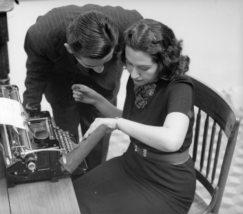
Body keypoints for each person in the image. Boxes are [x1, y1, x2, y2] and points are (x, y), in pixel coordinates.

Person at [72, 19, 196, 214]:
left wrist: (118, 123)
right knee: (72, 196)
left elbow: (172, 140)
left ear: (164, 62)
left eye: (144, 68)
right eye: (129, 63)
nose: (134, 74)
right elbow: (135, 122)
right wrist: (98, 101)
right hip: (132, 164)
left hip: (166, 185)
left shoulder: (179, 87)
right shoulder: (137, 79)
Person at [22, 4, 143, 171]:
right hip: (60, 75)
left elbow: (149, 60)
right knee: (65, 127)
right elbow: (35, 76)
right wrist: (29, 111)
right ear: (69, 49)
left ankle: (93, 173)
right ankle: (69, 174)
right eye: (93, 64)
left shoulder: (131, 26)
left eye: (104, 60)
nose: (100, 69)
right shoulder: (41, 35)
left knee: (99, 128)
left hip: (105, 82)